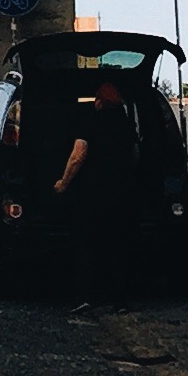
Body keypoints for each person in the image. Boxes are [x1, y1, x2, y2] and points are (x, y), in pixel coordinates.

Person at [52, 74, 136, 301]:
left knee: (87, 245)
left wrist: (63, 183)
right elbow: (135, 156)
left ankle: (86, 297)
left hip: (92, 195)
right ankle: (120, 300)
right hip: (121, 195)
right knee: (118, 247)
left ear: (99, 101)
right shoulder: (127, 125)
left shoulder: (90, 121)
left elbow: (77, 157)